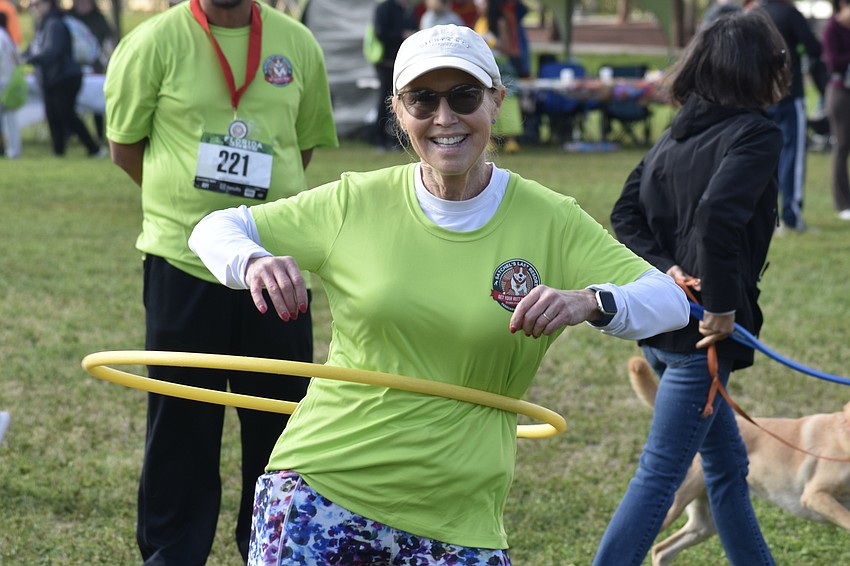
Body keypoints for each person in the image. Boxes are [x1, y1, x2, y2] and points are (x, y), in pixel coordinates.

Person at [188, 23, 689, 565]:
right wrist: (254, 261)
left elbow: (672, 303)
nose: (444, 119)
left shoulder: (551, 219)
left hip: (461, 519)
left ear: (497, 101)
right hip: (323, 492)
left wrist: (589, 300)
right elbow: (213, 229)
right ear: (399, 112)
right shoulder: (357, 201)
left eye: (464, 96)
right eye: (422, 100)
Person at [103, 0, 338, 562]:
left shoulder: (297, 43)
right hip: (183, 265)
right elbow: (124, 147)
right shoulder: (153, 42)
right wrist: (188, 206)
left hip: (277, 269)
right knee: (181, 421)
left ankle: (272, 547)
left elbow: (300, 145)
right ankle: (172, 553)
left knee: (280, 421)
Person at [593, 10, 790, 566]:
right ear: (758, 71)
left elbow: (624, 214)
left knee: (728, 468)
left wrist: (665, 269)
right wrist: (721, 308)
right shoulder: (757, 133)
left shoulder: (676, 132)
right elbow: (716, 218)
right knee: (660, 478)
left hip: (662, 331)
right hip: (696, 345)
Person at [758, 0, 822, 232]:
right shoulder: (790, 14)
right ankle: (791, 216)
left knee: (764, 157)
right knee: (792, 155)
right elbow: (813, 47)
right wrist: (798, 50)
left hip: (762, 96)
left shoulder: (756, 14)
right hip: (790, 94)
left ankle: (768, 218)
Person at [22, 0, 102, 157]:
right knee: (53, 115)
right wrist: (23, 56)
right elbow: (34, 48)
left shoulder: (54, 24)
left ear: (49, 4)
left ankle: (93, 148)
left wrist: (31, 60)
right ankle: (59, 151)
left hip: (64, 77)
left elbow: (53, 51)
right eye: (33, 5)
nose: (34, 8)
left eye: (37, 4)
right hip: (52, 78)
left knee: (66, 114)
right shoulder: (44, 24)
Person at [474, 0, 523, 153]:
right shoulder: (480, 21)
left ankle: (511, 140)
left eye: (482, 3)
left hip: (502, 66)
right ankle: (490, 138)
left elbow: (508, 48)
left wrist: (492, 42)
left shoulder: (500, 21)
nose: (478, 6)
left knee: (506, 100)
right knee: (487, 100)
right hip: (485, 66)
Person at [371, 0, 418, 151]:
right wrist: (401, 35)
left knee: (403, 100)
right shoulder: (384, 8)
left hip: (404, 64)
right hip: (386, 63)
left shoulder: (408, 9)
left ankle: (397, 139)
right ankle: (379, 138)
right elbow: (380, 33)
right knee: (385, 101)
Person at [70, 0, 116, 143]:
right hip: (73, 67)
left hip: (96, 66)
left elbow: (108, 42)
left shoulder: (98, 19)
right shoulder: (70, 17)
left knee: (98, 103)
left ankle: (100, 134)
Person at [821, 0, 850, 219]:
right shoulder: (832, 28)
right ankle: (842, 204)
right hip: (841, 93)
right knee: (842, 146)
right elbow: (833, 62)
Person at [0, 11, 21, 158]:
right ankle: (13, 149)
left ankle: (10, 150)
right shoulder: (6, 36)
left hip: (3, 82)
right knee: (10, 119)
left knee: (6, 119)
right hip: (10, 82)